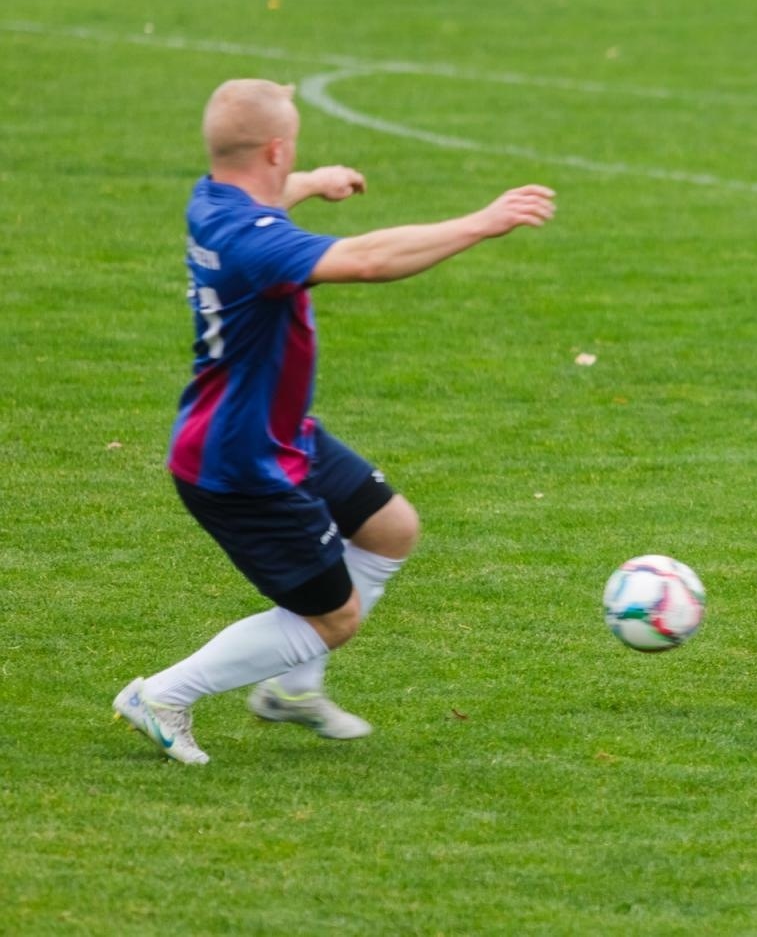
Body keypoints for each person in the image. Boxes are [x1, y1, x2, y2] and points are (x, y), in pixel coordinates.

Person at [113, 79, 556, 764]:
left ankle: (291, 693)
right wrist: (481, 222)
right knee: (334, 617)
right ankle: (165, 693)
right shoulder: (259, 245)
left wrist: (312, 181)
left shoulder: (214, 200)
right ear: (277, 148)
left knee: (391, 528)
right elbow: (371, 260)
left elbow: (267, 198)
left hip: (273, 434)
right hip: (241, 463)